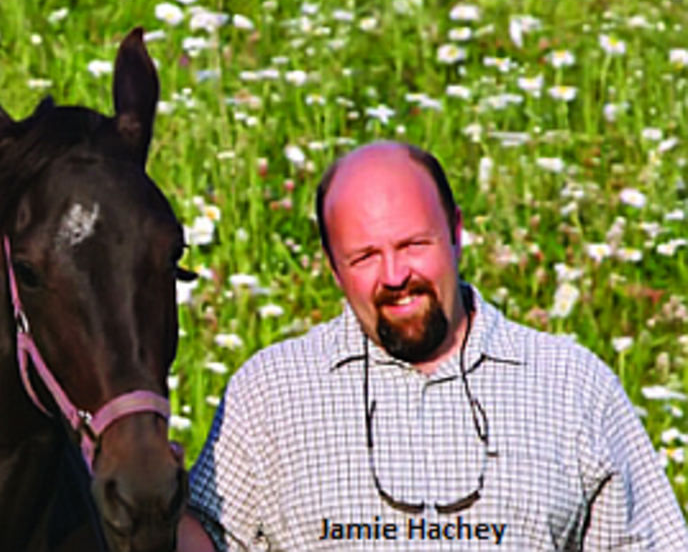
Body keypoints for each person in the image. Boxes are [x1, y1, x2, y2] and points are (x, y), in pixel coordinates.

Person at [176, 141, 688, 550]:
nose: (396, 275)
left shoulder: (573, 384)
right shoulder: (271, 391)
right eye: (365, 257)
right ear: (333, 268)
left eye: (413, 245)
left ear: (456, 233)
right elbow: (209, 542)